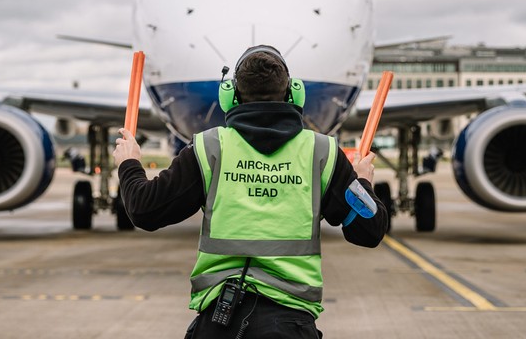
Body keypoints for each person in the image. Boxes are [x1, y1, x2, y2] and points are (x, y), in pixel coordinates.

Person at [113, 45, 388, 338]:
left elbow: (144, 210)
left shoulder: (208, 149)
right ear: (294, 93)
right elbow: (370, 230)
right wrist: (362, 185)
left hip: (219, 322)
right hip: (290, 325)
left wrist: (129, 163)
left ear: (230, 96)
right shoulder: (322, 153)